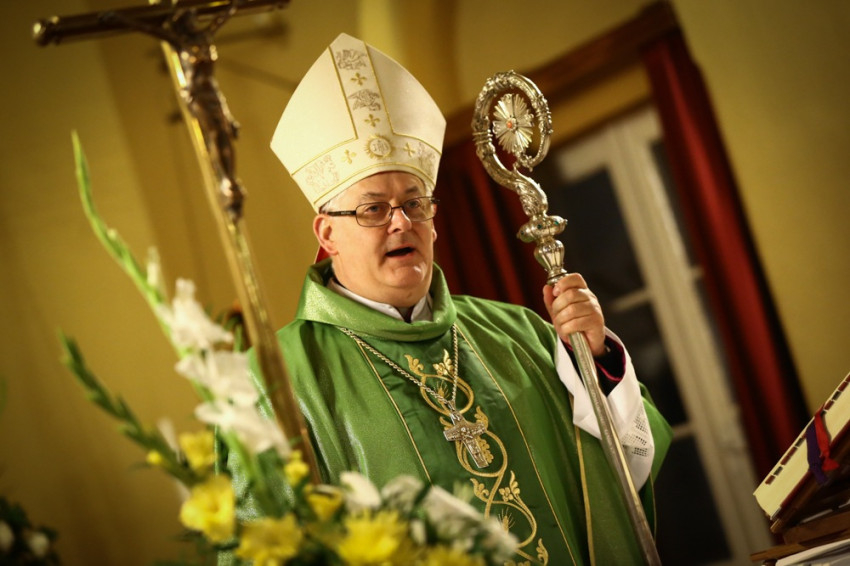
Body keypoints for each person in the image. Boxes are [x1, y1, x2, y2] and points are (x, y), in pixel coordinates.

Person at [260, 33, 671, 565]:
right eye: (373, 209)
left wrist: (595, 360)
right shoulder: (281, 381)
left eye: (415, 203)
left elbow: (626, 471)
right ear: (327, 234)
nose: (402, 222)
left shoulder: (518, 334)